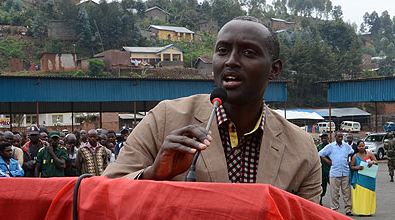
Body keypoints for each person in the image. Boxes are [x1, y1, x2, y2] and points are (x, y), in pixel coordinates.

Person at [103, 16, 322, 202]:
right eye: (223, 50)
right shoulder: (164, 119)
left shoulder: (302, 149)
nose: (231, 61)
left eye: (248, 52)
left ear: (274, 69)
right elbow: (103, 194)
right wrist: (152, 175)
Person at [319, 132, 354, 215]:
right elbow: (320, 154)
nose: (340, 138)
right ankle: (335, 209)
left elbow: (352, 152)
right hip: (335, 173)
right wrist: (328, 161)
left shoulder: (346, 146)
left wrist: (348, 160)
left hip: (345, 172)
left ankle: (348, 209)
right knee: (334, 193)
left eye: (342, 136)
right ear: (335, 137)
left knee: (347, 193)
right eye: (339, 136)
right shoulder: (330, 147)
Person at [350, 140, 378, 216]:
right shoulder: (355, 156)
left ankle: (368, 211)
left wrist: (372, 162)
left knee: (368, 195)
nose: (361, 147)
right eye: (360, 146)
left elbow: (376, 161)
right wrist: (357, 167)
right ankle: (361, 211)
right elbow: (351, 167)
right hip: (359, 179)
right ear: (357, 147)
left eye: (363, 146)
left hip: (369, 178)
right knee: (361, 196)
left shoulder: (369, 154)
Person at [316, 133, 331, 205]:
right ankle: (320, 200)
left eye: (325, 138)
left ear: (328, 138)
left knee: (333, 187)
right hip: (321, 170)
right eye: (322, 138)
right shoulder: (319, 147)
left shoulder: (331, 147)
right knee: (322, 186)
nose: (323, 140)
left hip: (330, 169)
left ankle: (335, 201)